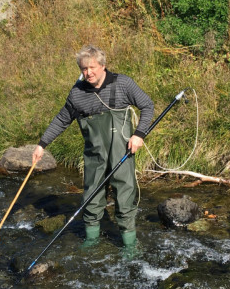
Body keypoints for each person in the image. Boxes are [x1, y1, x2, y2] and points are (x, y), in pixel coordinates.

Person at [32, 45, 154, 254]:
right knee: (91, 195)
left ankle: (130, 245)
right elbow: (62, 120)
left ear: (103, 65)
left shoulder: (122, 83)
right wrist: (42, 144)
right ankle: (91, 241)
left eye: (91, 67)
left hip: (121, 152)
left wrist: (139, 134)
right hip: (94, 155)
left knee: (124, 196)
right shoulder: (77, 93)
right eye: (83, 69)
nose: (87, 73)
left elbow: (147, 105)